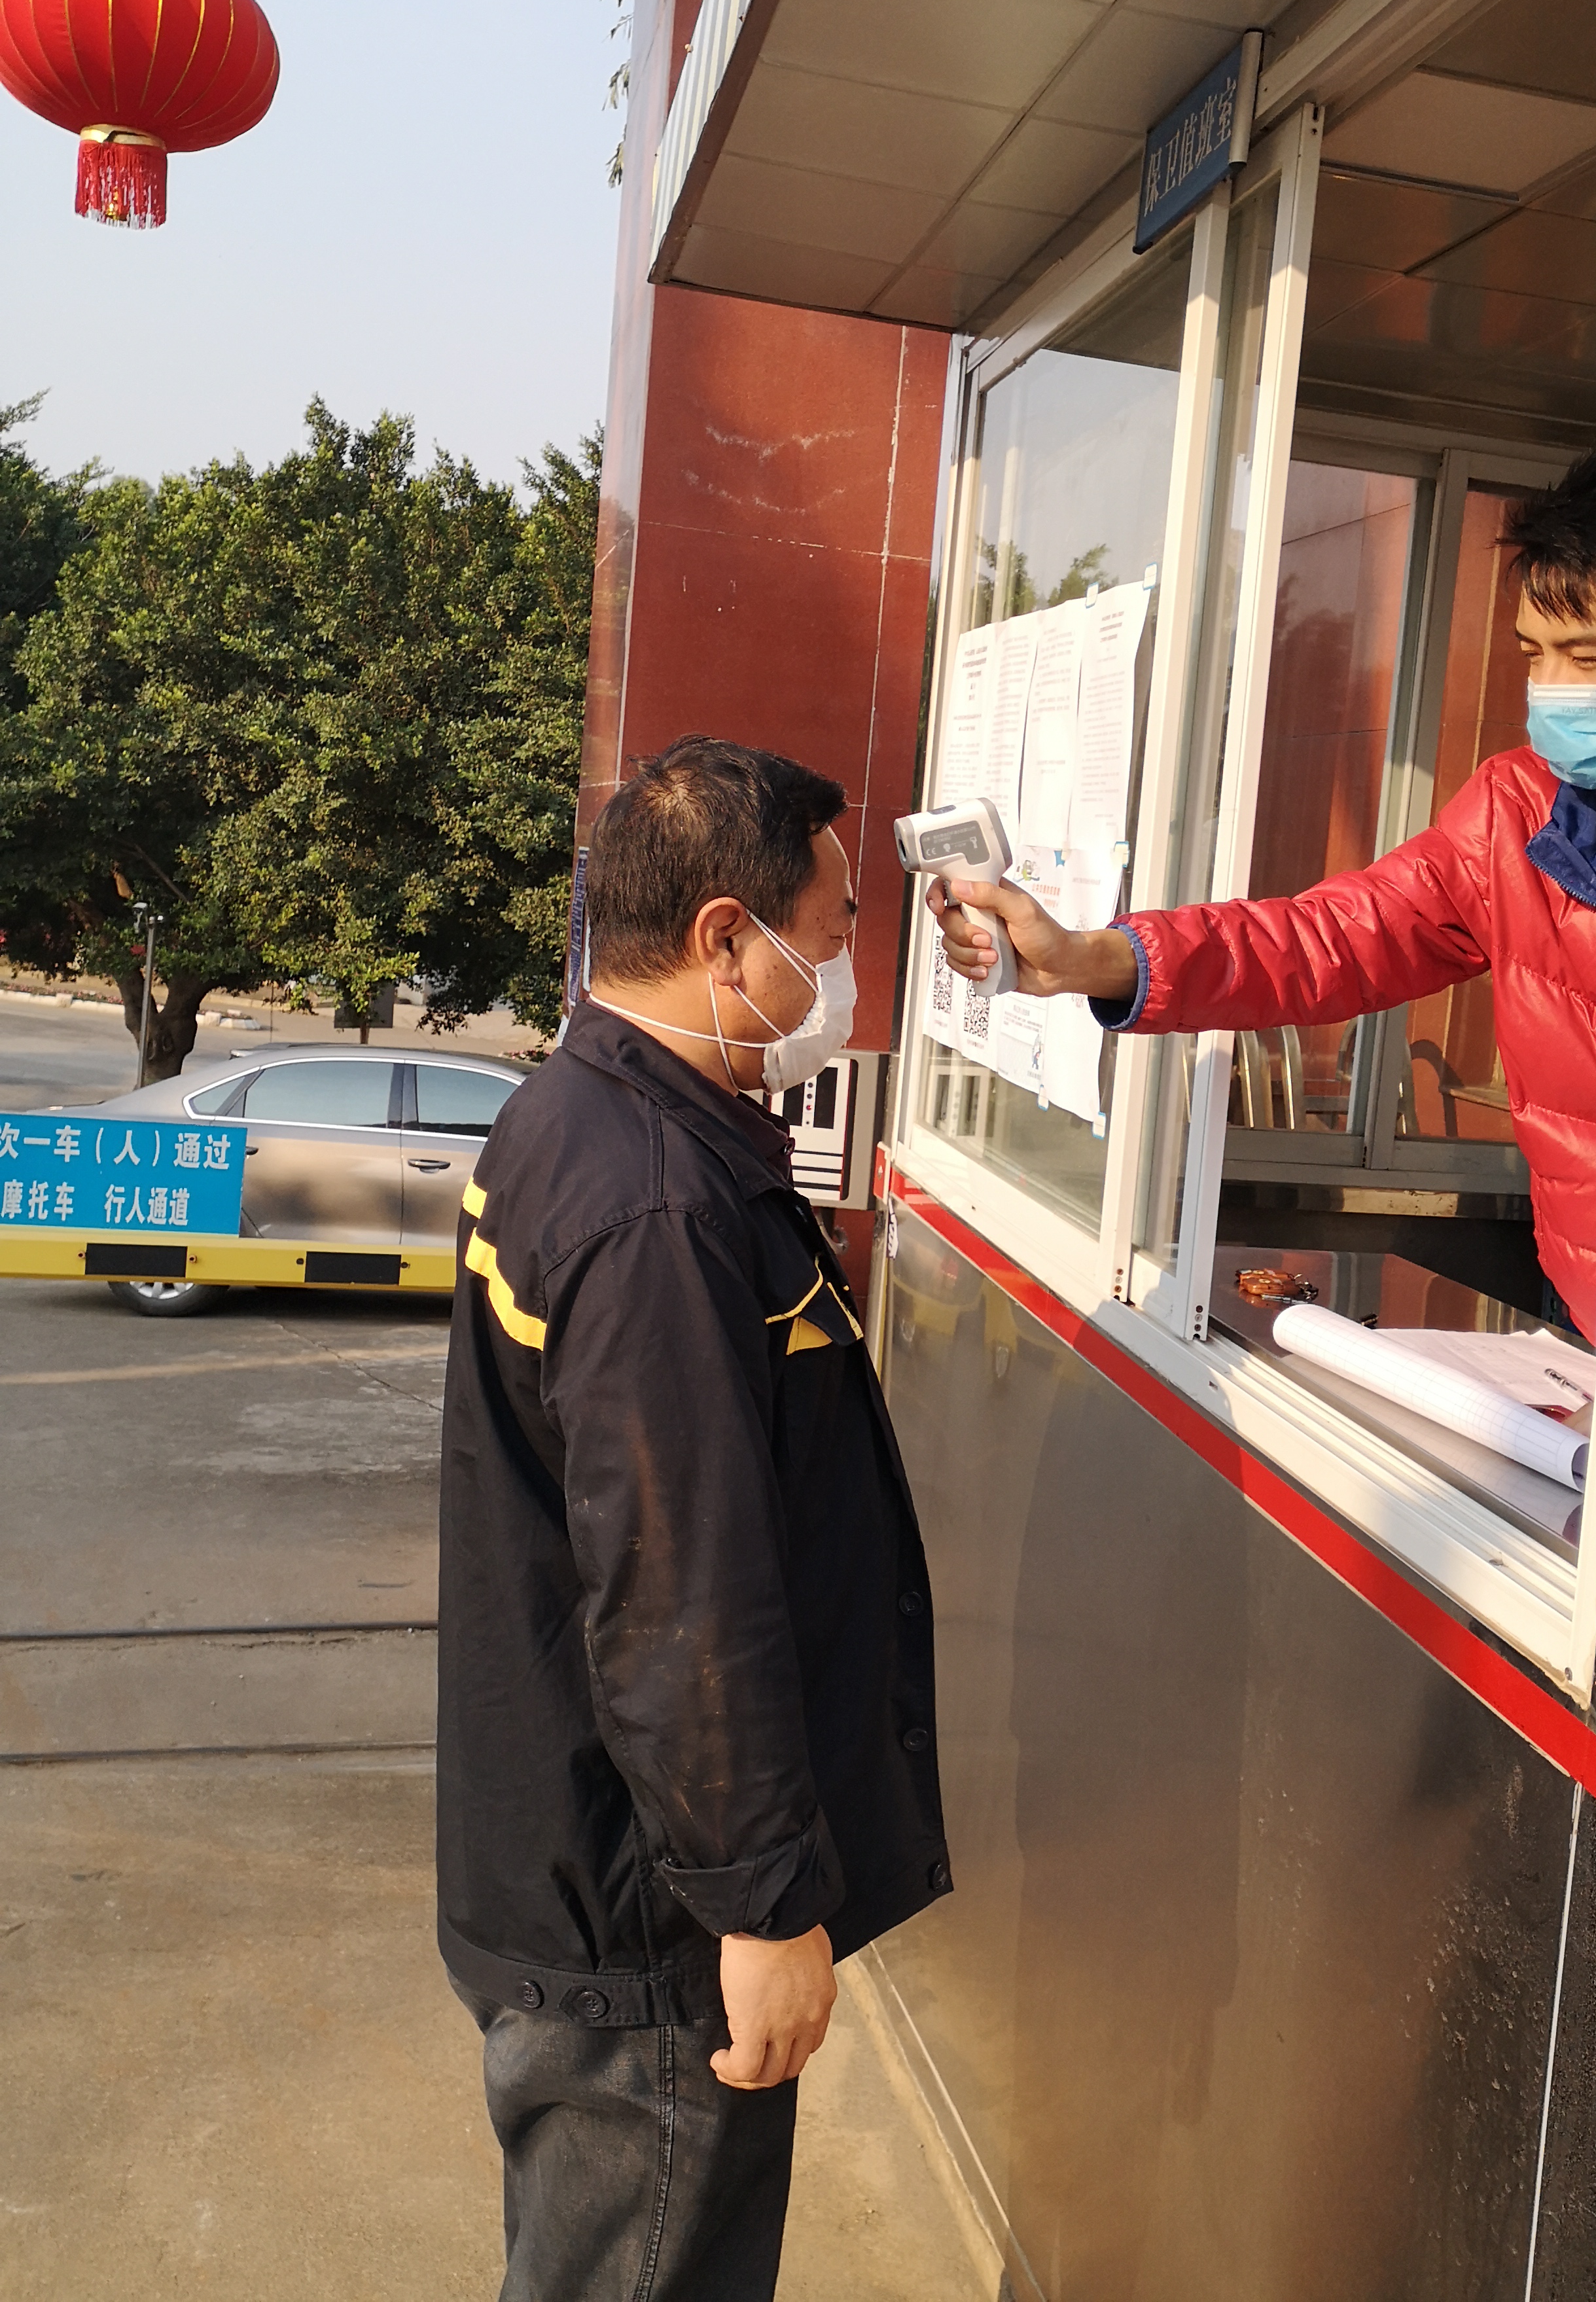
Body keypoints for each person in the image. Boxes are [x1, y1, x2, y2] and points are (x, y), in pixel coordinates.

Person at [438, 734, 950, 2302]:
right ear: (728, 937)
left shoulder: (585, 1111)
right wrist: (763, 1909)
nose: (846, 971)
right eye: (834, 929)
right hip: (651, 1933)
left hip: (599, 1874)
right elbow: (680, 1593)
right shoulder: (653, 1203)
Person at [931, 415, 1596, 1344]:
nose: (1557, 690)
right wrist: (1089, 959)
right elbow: (1325, 941)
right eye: (1537, 654)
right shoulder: (1520, 816)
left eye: (1591, 658)